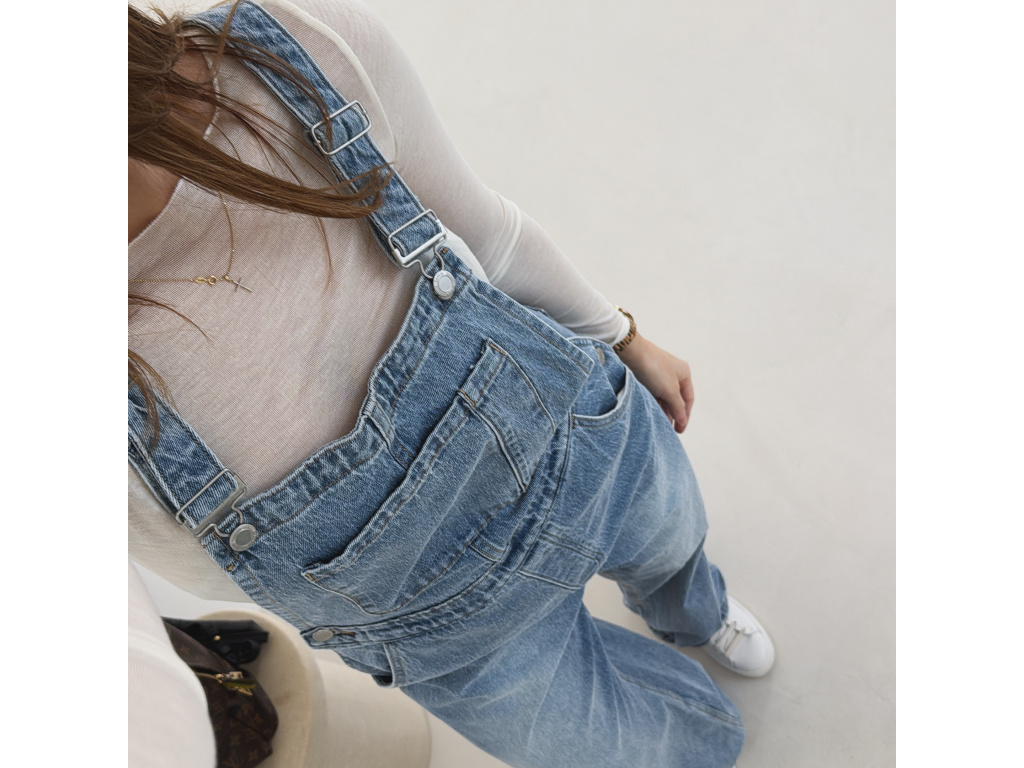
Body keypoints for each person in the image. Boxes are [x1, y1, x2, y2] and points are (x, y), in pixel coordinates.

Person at [128, 1, 774, 766]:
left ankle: (693, 612)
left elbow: (487, 231)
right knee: (638, 752)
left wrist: (620, 334)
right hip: (450, 638)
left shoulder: (286, 49)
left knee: (672, 547)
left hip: (583, 442)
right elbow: (197, 568)